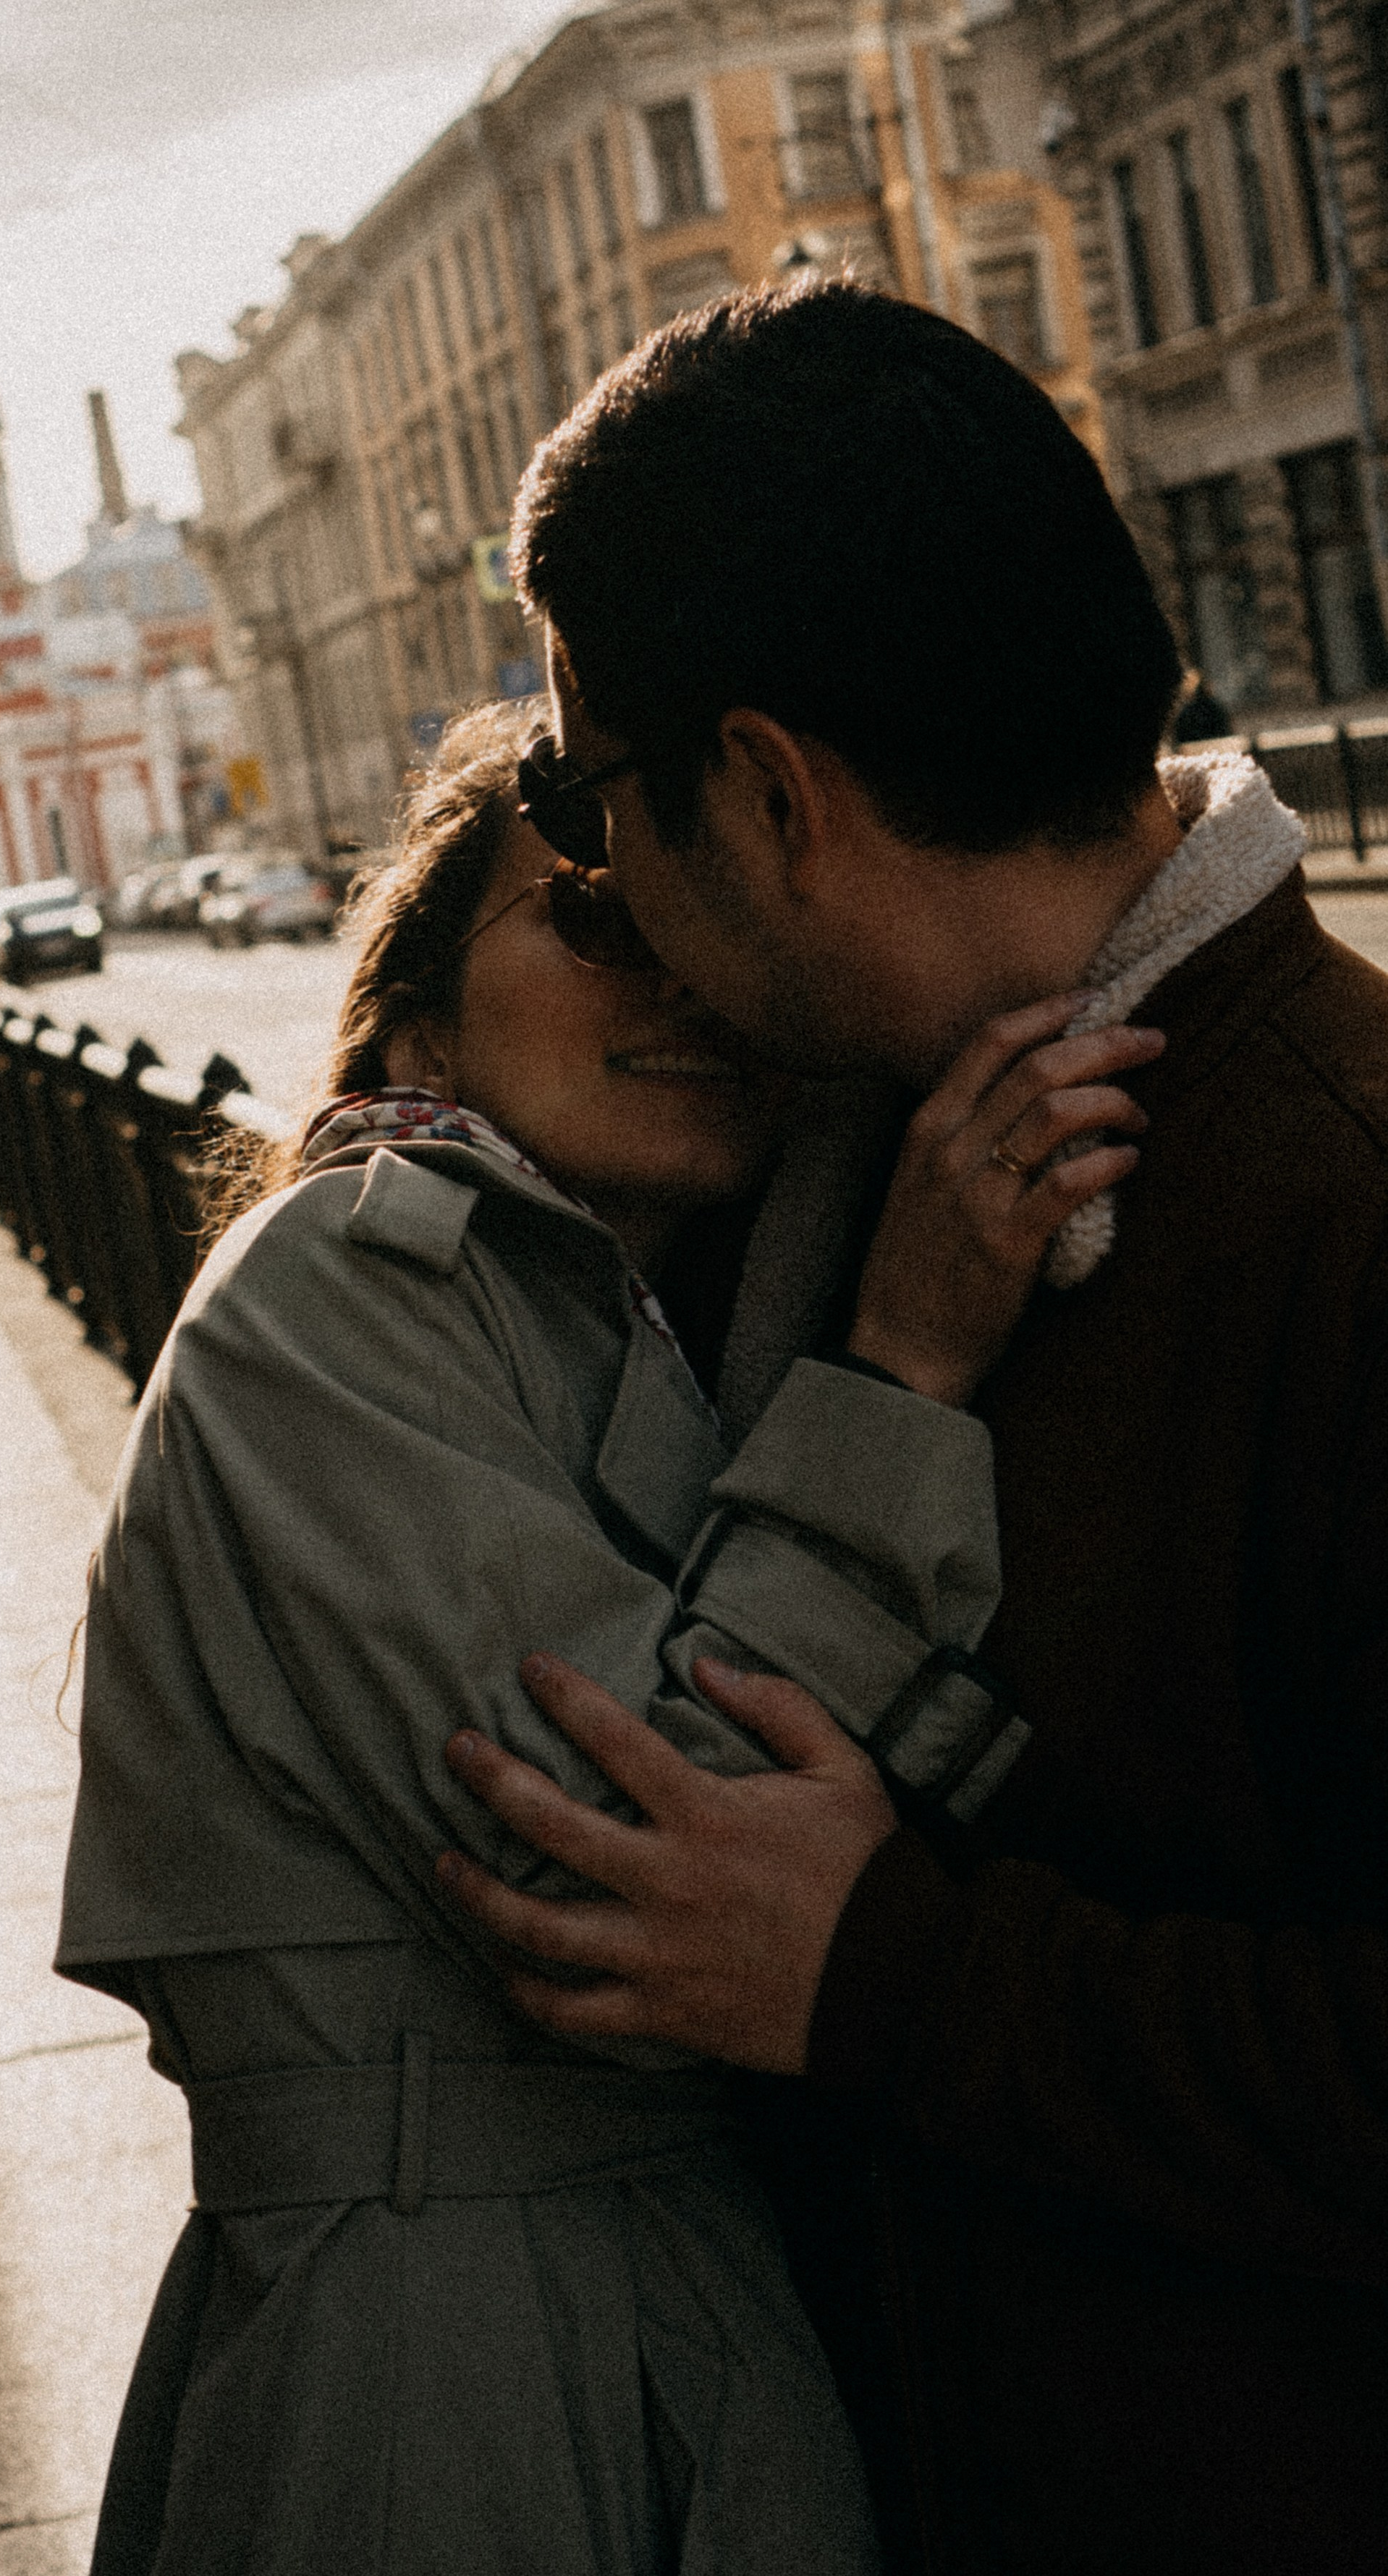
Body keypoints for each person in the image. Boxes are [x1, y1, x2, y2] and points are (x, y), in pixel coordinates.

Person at [433, 282, 1388, 2576]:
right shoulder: (841, 1165)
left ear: (768, 796)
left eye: (585, 800)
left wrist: (885, 1973)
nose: (591, 888)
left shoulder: (1339, 1202)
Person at [55, 698, 1151, 2576]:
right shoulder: (329, 1289)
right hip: (447, 2367)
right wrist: (902, 1364)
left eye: (697, 924)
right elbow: (650, 1868)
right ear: (414, 1010)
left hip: (652, 2312)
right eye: (590, 914)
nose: (683, 982)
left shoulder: (605, 1317)